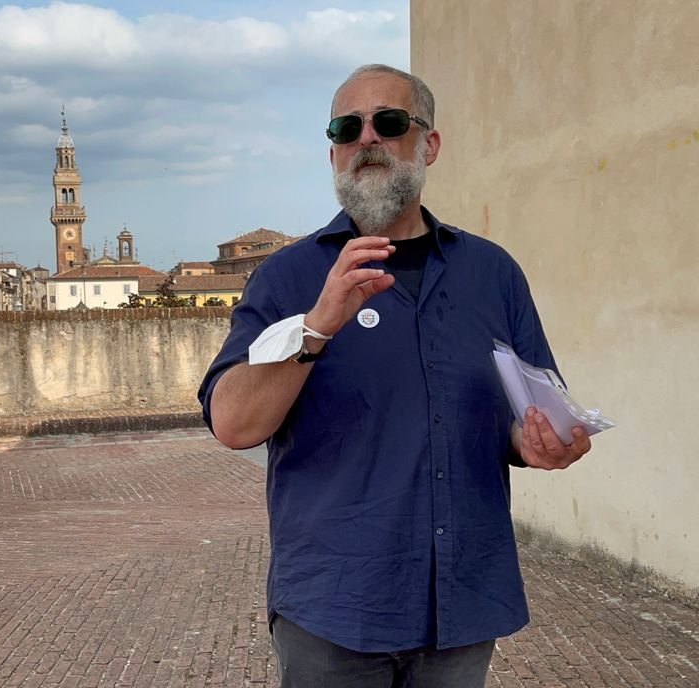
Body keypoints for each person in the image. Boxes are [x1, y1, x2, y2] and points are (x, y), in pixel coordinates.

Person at [197, 64, 593, 687]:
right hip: (335, 607)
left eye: (387, 122)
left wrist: (542, 442)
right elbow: (233, 424)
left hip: (463, 599)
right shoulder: (287, 278)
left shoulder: (493, 274)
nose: (366, 139)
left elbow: (527, 411)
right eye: (346, 128)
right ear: (332, 152)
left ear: (428, 144)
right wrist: (316, 327)